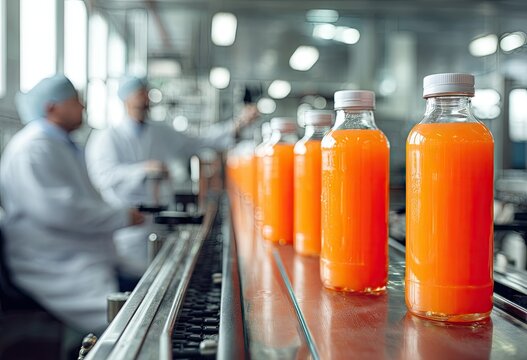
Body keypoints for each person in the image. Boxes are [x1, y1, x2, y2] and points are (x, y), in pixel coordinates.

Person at [0, 75, 144, 334]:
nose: (83, 106)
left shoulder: (60, 145)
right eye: (75, 101)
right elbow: (61, 210)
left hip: (82, 253)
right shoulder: (32, 149)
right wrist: (121, 217)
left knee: (146, 291)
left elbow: (81, 201)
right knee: (126, 325)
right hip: (53, 261)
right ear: (51, 108)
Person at [85, 76, 259, 277]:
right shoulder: (107, 137)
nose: (145, 98)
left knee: (159, 274)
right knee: (135, 280)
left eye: (146, 92)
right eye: (139, 93)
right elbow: (102, 177)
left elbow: (198, 141)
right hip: (127, 228)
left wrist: (238, 124)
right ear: (125, 99)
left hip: (158, 221)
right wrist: (144, 170)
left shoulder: (161, 131)